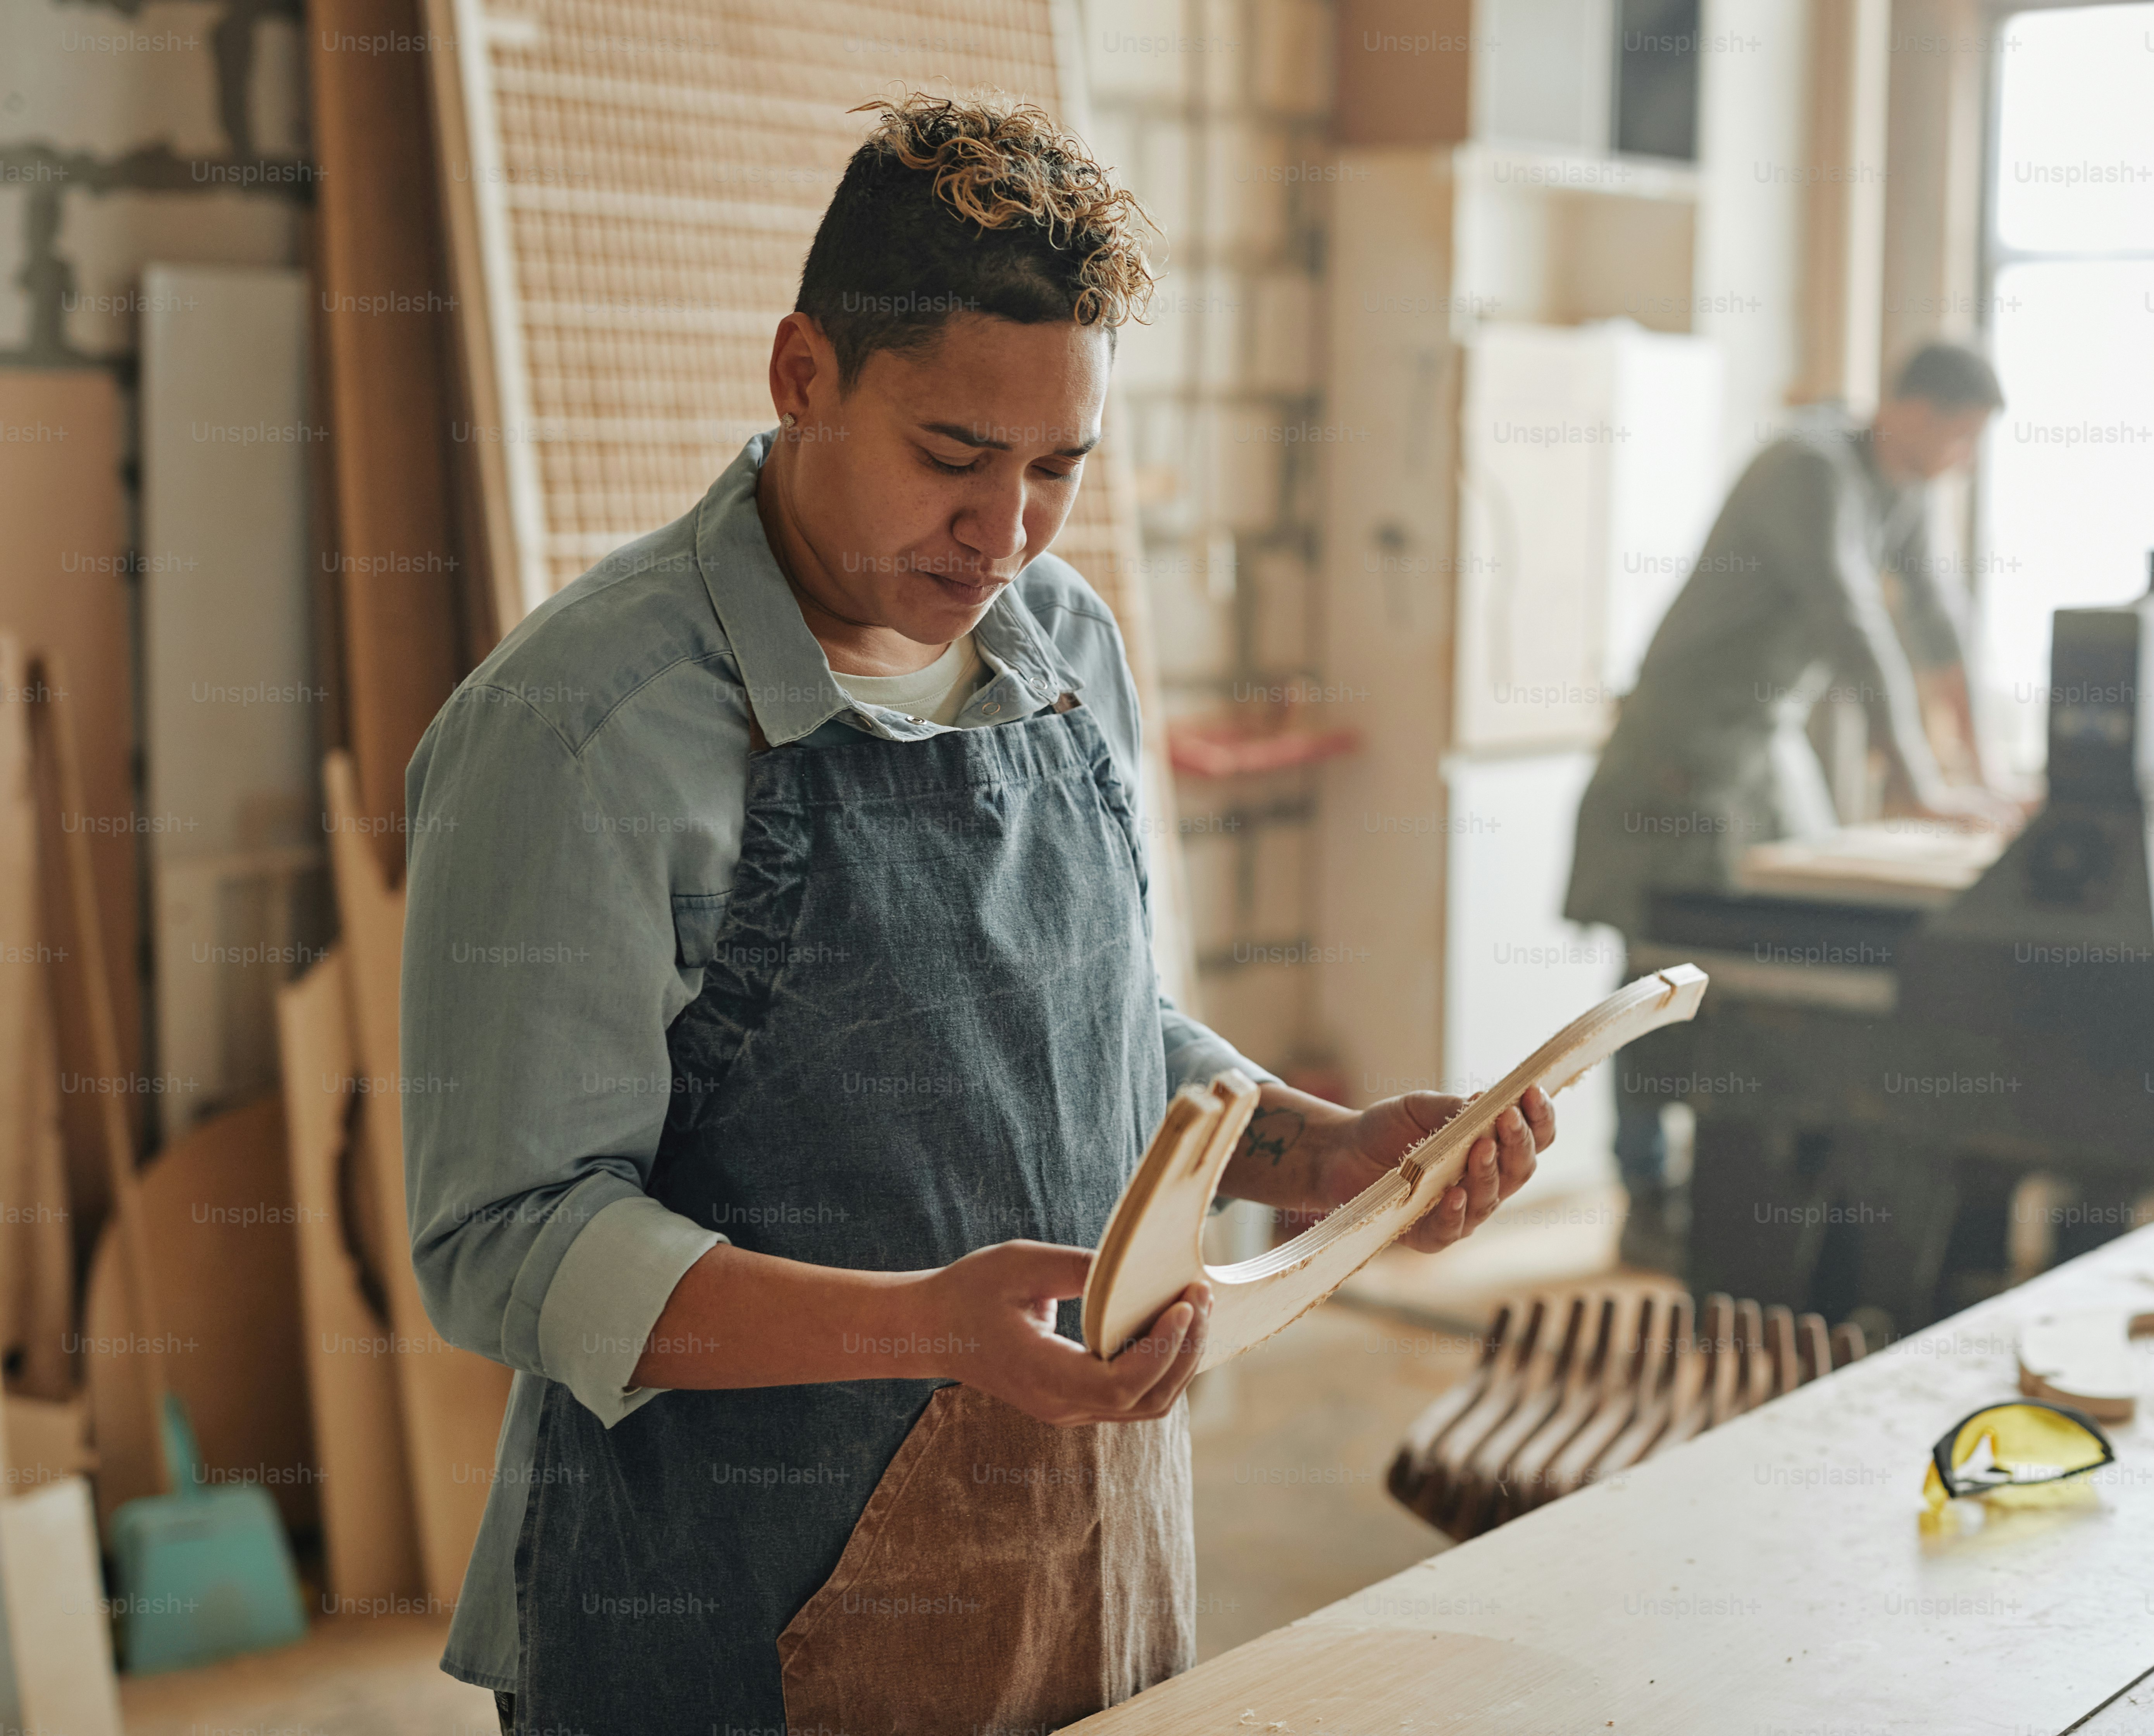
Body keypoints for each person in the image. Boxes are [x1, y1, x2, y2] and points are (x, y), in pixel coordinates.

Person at [402, 96, 1552, 1736]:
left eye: (1057, 471)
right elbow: (501, 1240)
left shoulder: (1066, 648)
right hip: (723, 1622)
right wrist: (926, 1325)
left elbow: (1085, 1035)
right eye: (952, 457)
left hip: (1082, 1560)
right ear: (803, 374)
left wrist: (1324, 1153)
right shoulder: (584, 731)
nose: (1004, 533)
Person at [1563, 342, 2010, 1273]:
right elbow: (1853, 618)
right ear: (1914, 414)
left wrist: (1985, 769)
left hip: (1763, 747)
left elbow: (1938, 621)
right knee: (1655, 973)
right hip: (1678, 753)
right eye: (1959, 438)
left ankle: (1749, 1190)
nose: (1961, 459)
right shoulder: (1806, 468)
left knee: (1787, 954)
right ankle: (1644, 1193)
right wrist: (1919, 781)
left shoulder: (1905, 492)